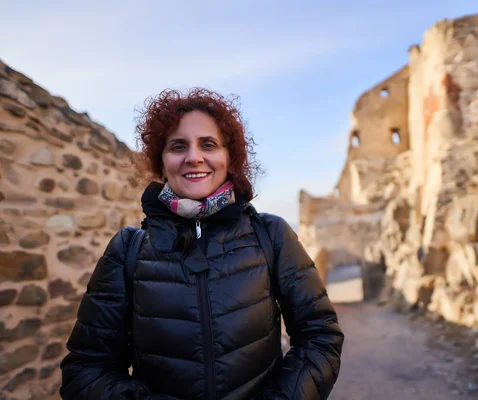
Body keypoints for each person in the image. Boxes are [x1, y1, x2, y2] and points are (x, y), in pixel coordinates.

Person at [59, 88, 344, 399]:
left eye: (208, 144)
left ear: (229, 157)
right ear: (162, 161)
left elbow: (320, 336)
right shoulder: (128, 249)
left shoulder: (271, 235)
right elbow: (85, 369)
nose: (194, 157)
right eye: (178, 146)